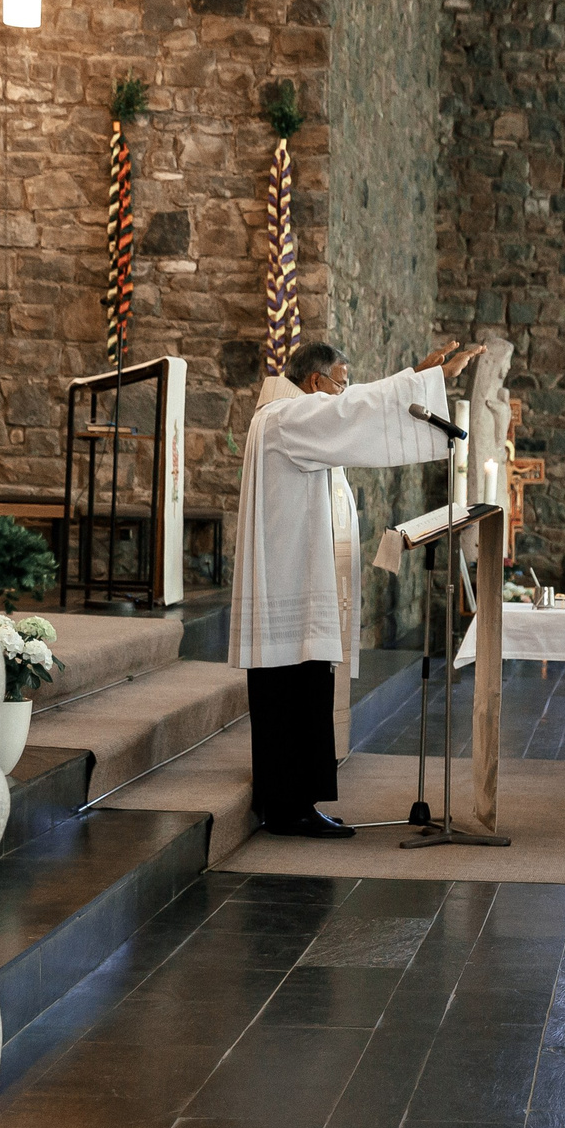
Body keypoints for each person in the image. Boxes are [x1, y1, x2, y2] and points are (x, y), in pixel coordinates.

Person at [230, 337, 482, 837]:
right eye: (341, 382)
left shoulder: (286, 416)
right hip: (292, 587)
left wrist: (414, 374)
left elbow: (353, 409)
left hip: (292, 583)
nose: (345, 391)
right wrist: (423, 382)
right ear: (316, 382)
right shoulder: (288, 417)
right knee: (294, 694)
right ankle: (290, 808)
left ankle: (290, 802)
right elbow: (353, 413)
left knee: (295, 694)